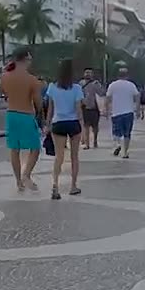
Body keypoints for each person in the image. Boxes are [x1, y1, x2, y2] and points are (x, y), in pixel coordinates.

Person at [0, 45, 43, 192]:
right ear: (25, 59)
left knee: (14, 149)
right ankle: (27, 175)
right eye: (29, 59)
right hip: (26, 115)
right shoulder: (32, 80)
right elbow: (38, 102)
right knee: (35, 148)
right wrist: (41, 116)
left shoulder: (5, 77)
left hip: (11, 114)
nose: (30, 61)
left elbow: (1, 92)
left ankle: (18, 181)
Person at [43, 58, 84, 199]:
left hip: (58, 123)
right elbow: (78, 110)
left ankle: (55, 185)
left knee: (59, 157)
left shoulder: (52, 87)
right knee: (74, 156)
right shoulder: (77, 88)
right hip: (73, 123)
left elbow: (50, 109)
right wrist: (82, 126)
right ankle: (73, 186)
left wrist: (47, 125)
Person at [105, 64, 138, 158]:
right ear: (127, 75)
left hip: (116, 112)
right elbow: (137, 96)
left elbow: (107, 98)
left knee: (116, 132)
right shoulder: (131, 85)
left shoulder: (112, 85)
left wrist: (106, 110)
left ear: (118, 75)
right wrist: (138, 109)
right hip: (129, 112)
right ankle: (125, 152)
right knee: (127, 133)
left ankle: (118, 144)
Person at [79, 67, 104, 150]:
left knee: (95, 126)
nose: (87, 74)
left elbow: (101, 93)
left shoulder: (95, 83)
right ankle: (87, 144)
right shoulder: (80, 84)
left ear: (92, 74)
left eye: (89, 73)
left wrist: (99, 86)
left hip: (94, 107)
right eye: (86, 72)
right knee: (85, 126)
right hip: (84, 107)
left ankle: (95, 141)